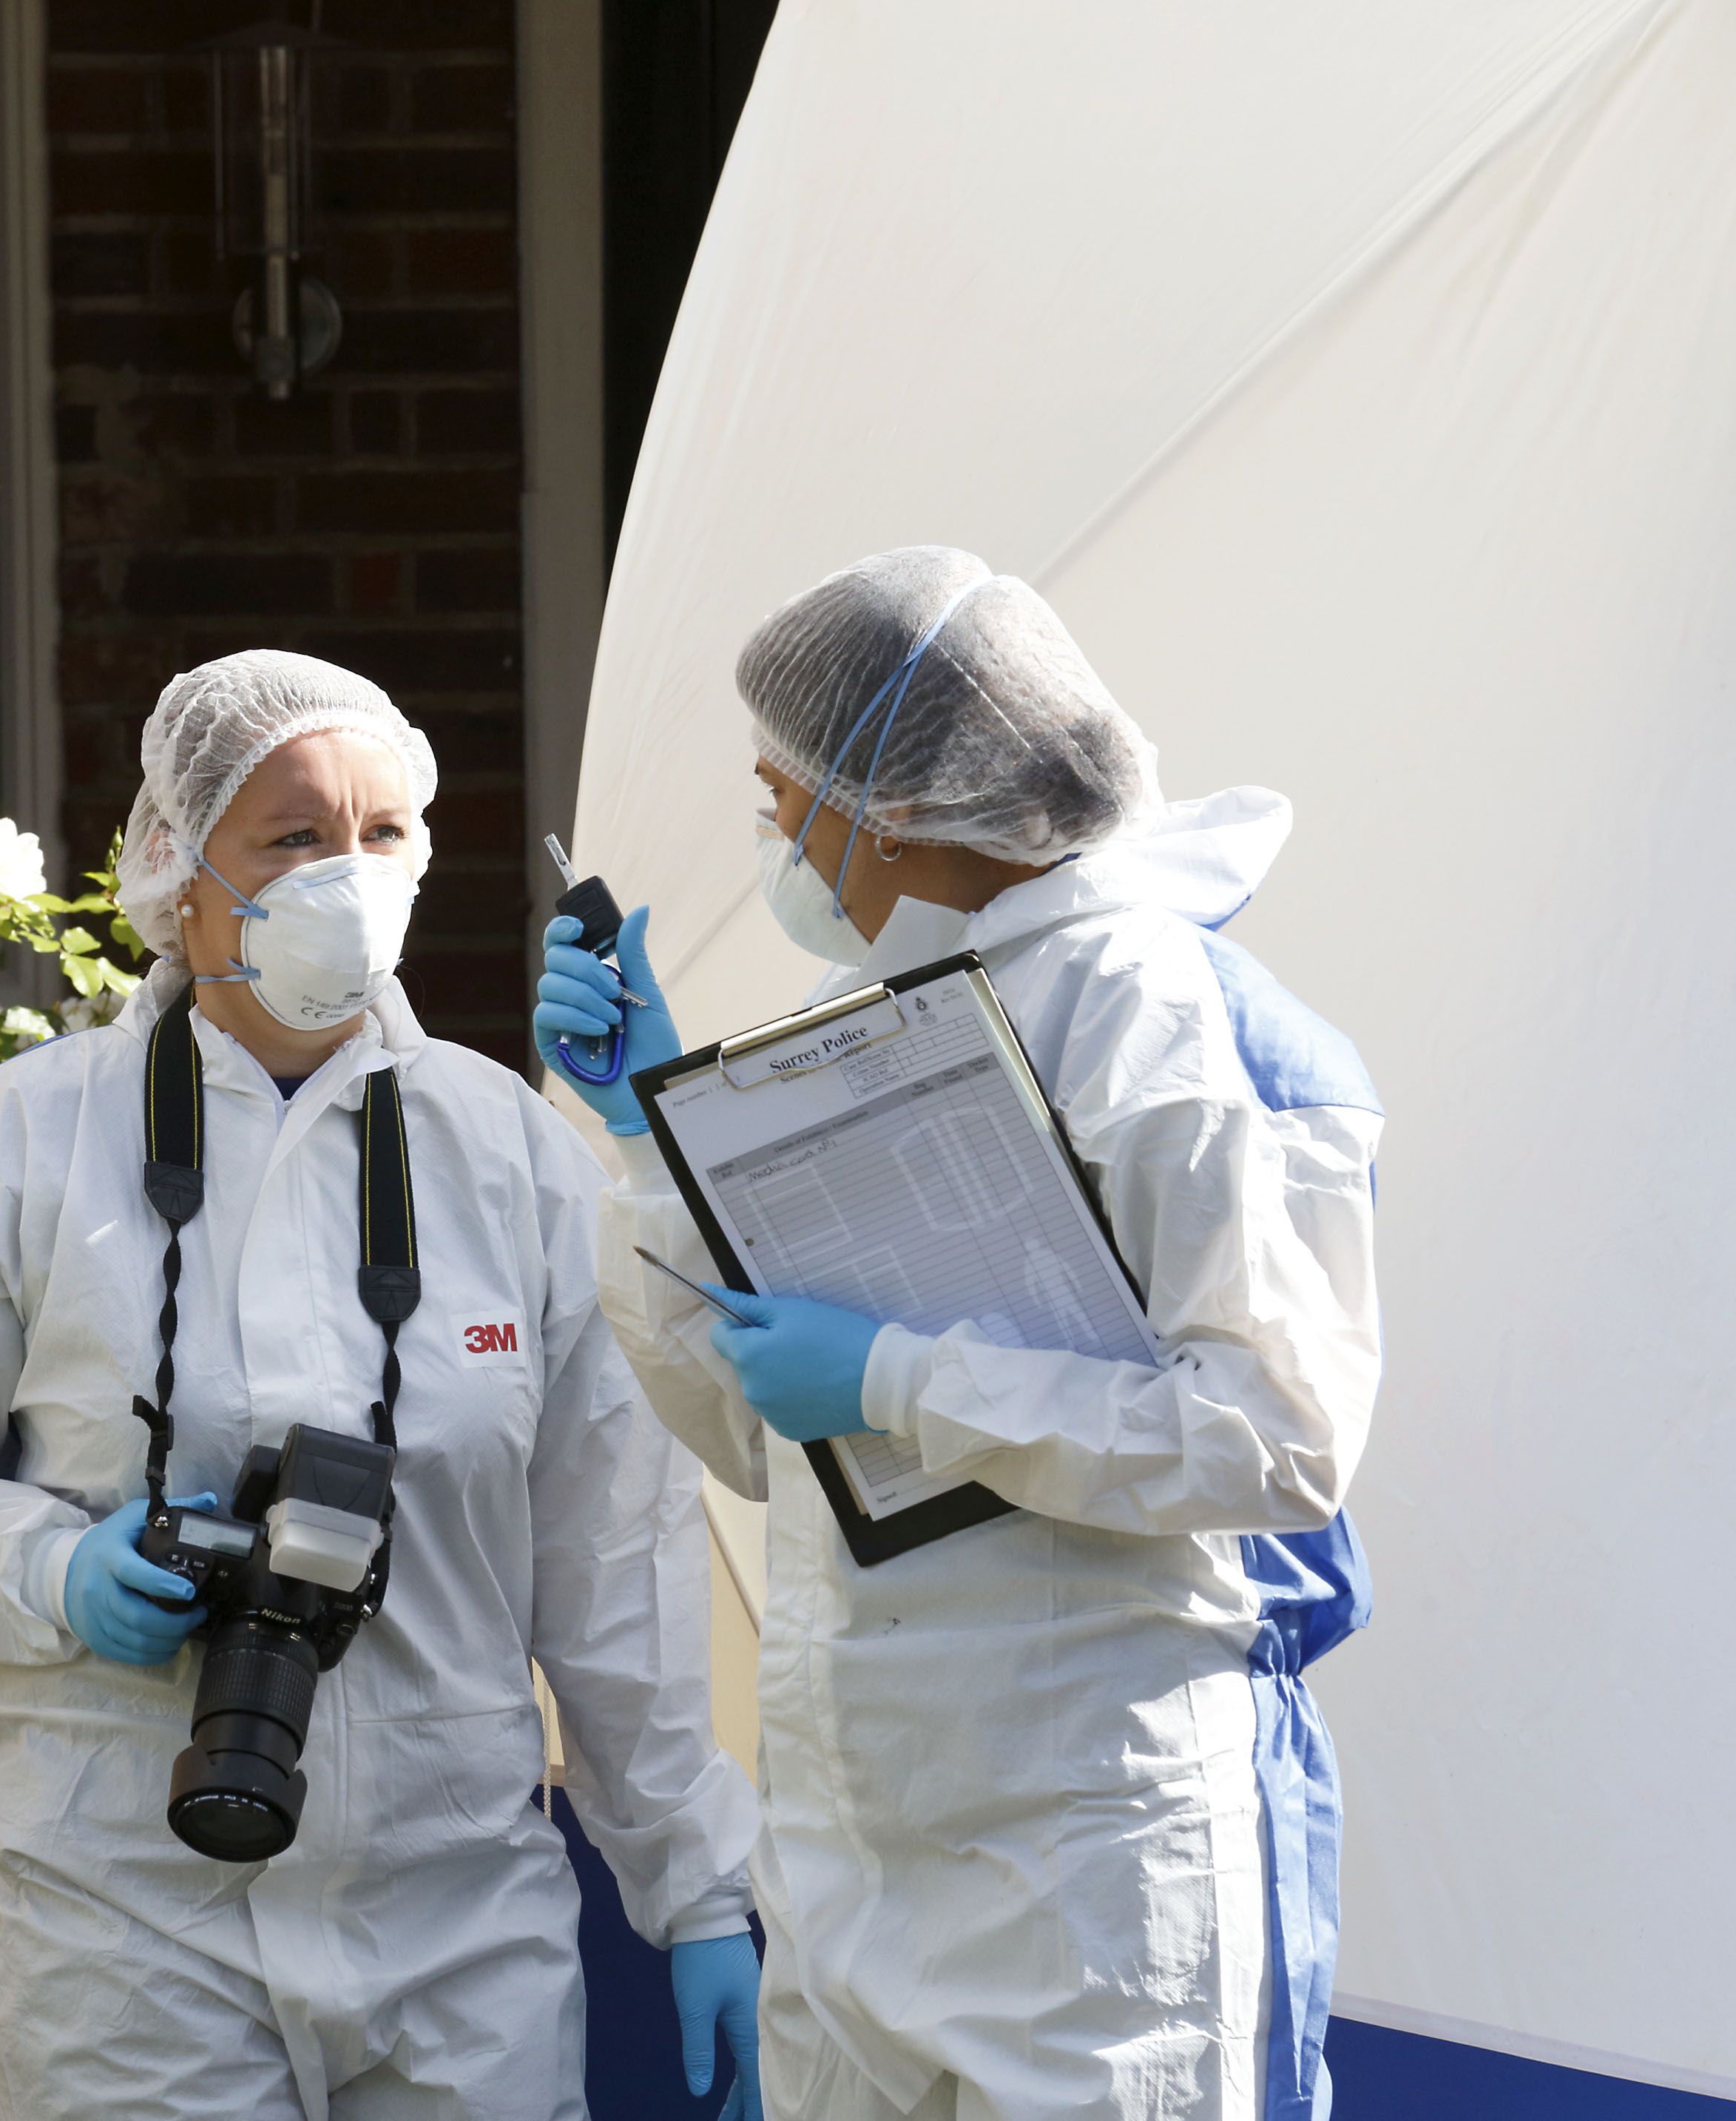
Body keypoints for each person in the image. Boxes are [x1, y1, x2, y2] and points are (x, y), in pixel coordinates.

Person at [0, 650, 763, 2121]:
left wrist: (695, 1892)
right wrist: (53, 1572)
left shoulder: (510, 1163)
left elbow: (610, 1569)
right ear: (179, 871)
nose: (349, 878)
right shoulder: (9, 1155)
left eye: (383, 837)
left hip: (457, 1933)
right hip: (119, 1926)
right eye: (296, 839)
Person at [534, 550, 1380, 2121]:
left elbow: (1274, 1437)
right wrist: (652, 1147)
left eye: (787, 794)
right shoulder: (892, 1013)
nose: (778, 835)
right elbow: (751, 1440)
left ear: (899, 806)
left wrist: (896, 1380)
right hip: (858, 1854)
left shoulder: (1151, 1014)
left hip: (1087, 1873)